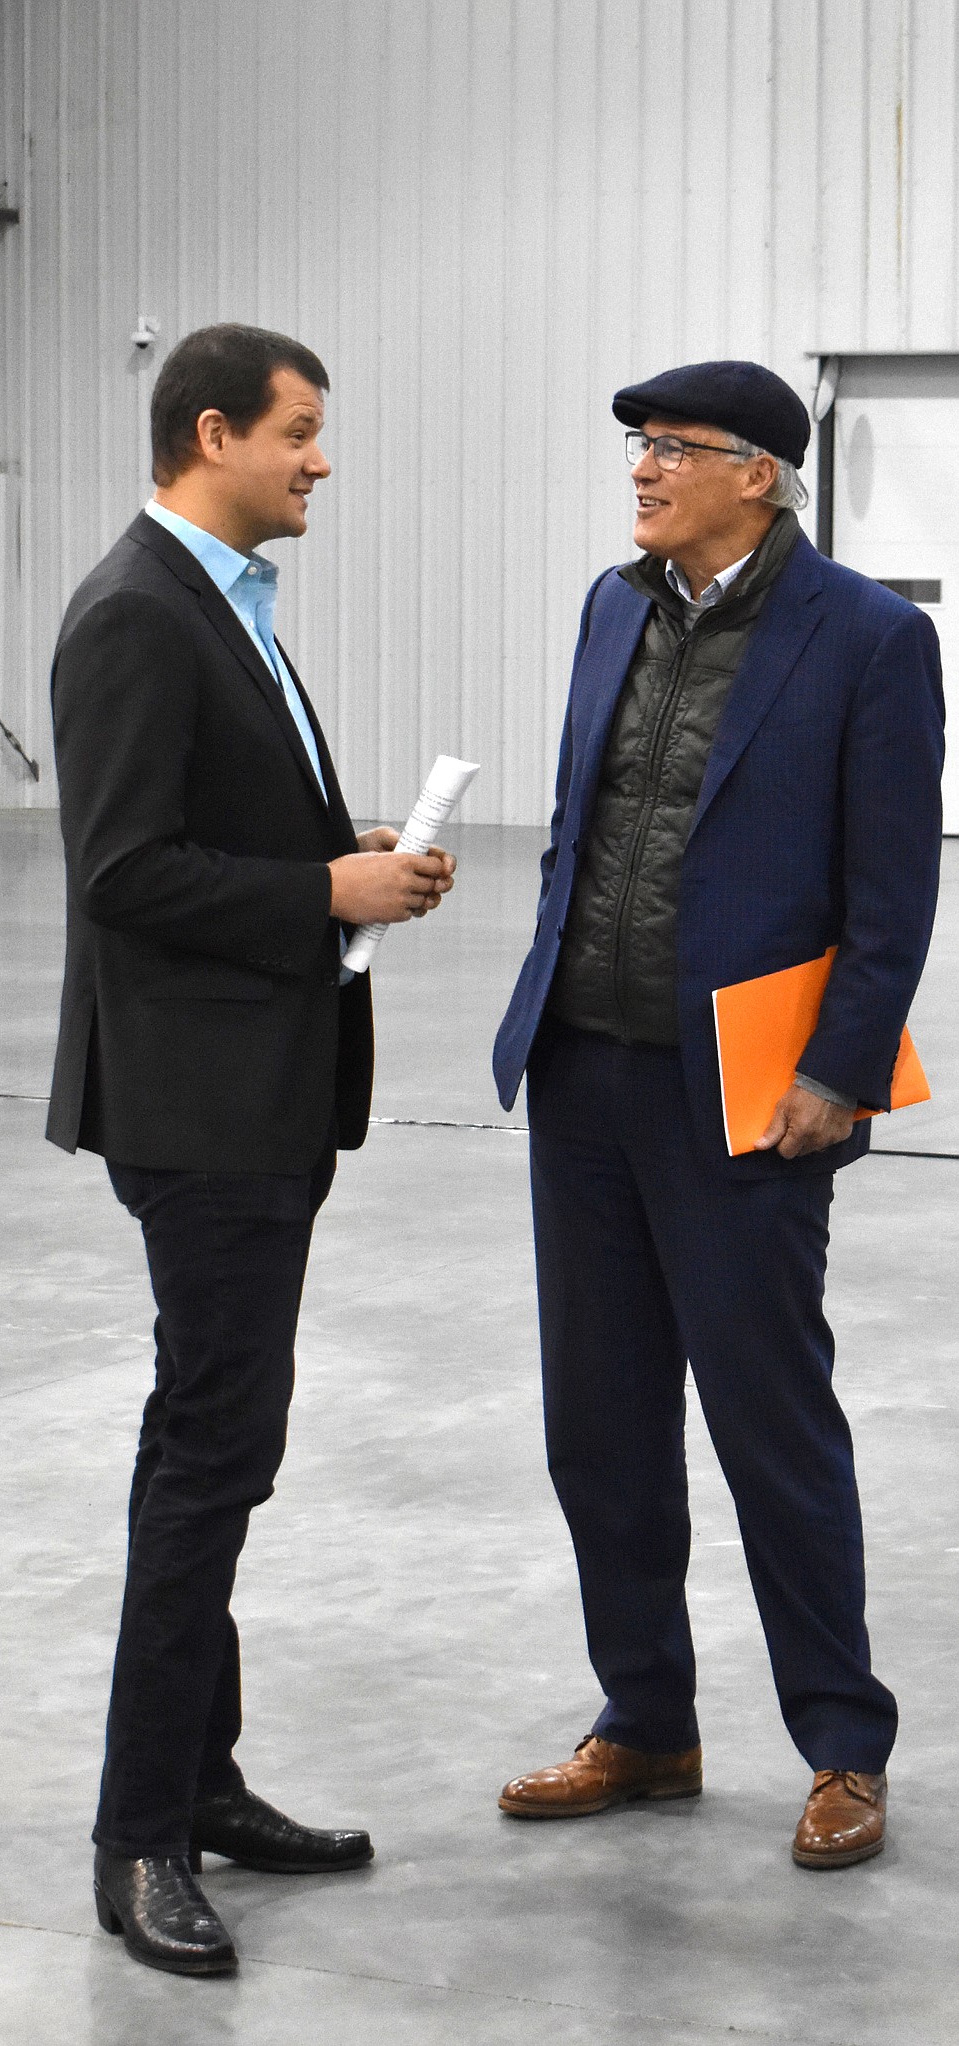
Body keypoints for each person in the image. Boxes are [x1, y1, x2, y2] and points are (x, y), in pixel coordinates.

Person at [492, 359, 944, 1869]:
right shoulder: (612, 604)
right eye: (635, 444)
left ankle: (841, 1744)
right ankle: (645, 1721)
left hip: (750, 1089)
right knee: (598, 1423)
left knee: (770, 1423)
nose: (640, 469)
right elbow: (585, 817)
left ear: (756, 472)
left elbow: (891, 889)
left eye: (669, 447)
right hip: (587, 1071)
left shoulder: (872, 639)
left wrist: (839, 1063)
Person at [47, 322, 455, 1975]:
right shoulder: (140, 614)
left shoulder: (226, 604)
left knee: (222, 1445)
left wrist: (334, 848)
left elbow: (207, 825)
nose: (320, 460)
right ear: (209, 431)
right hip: (201, 1110)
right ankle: (137, 1832)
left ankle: (199, 1781)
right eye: (297, 433)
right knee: (209, 1454)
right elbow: (124, 870)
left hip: (262, 1095)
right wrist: (319, 899)